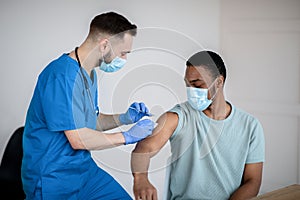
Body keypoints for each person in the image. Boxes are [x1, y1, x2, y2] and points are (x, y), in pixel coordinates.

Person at [22, 12, 155, 200]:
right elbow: (78, 139)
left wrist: (124, 117)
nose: (124, 59)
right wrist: (127, 137)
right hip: (53, 177)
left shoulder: (89, 74)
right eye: (123, 53)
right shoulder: (61, 76)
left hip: (84, 172)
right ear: (104, 45)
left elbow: (91, 121)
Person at [131, 50, 265, 200]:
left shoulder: (250, 126)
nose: (191, 91)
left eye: (197, 84)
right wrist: (141, 179)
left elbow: (252, 181)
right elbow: (143, 150)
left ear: (219, 82)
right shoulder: (178, 117)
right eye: (188, 85)